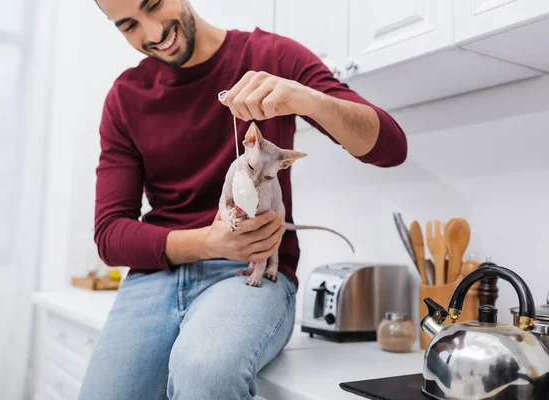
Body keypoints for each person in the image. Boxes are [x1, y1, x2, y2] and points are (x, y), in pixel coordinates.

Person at [79, 0, 408, 399]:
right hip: (154, 279)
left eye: (153, 5)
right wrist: (209, 242)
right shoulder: (125, 98)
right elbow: (109, 235)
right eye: (128, 25)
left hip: (253, 275)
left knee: (206, 370)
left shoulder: (272, 57)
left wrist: (308, 99)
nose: (151, 34)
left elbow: (391, 147)